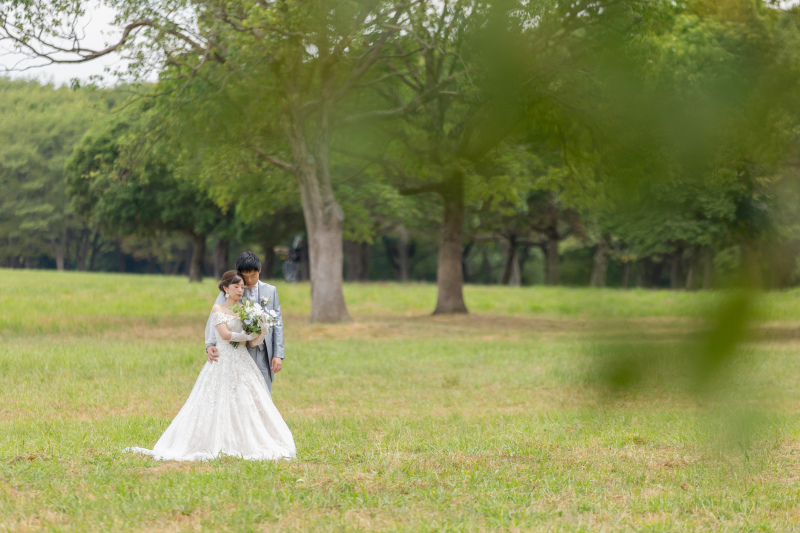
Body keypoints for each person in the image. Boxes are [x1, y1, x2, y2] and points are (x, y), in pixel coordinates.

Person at [126, 270, 296, 461]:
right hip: (222, 360)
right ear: (225, 288)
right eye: (236, 287)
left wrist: (262, 332)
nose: (240, 290)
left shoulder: (247, 309)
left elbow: (251, 344)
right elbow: (223, 335)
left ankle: (243, 440)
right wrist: (247, 336)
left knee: (245, 399)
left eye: (242, 287)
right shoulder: (218, 309)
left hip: (242, 360)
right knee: (216, 400)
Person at [205, 251, 285, 391]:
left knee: (263, 391)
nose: (249, 281)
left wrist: (278, 354)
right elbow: (217, 317)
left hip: (264, 351)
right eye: (245, 276)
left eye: (253, 275)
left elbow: (277, 323)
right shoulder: (232, 290)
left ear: (260, 270)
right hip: (240, 349)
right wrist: (210, 344)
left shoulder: (271, 291)